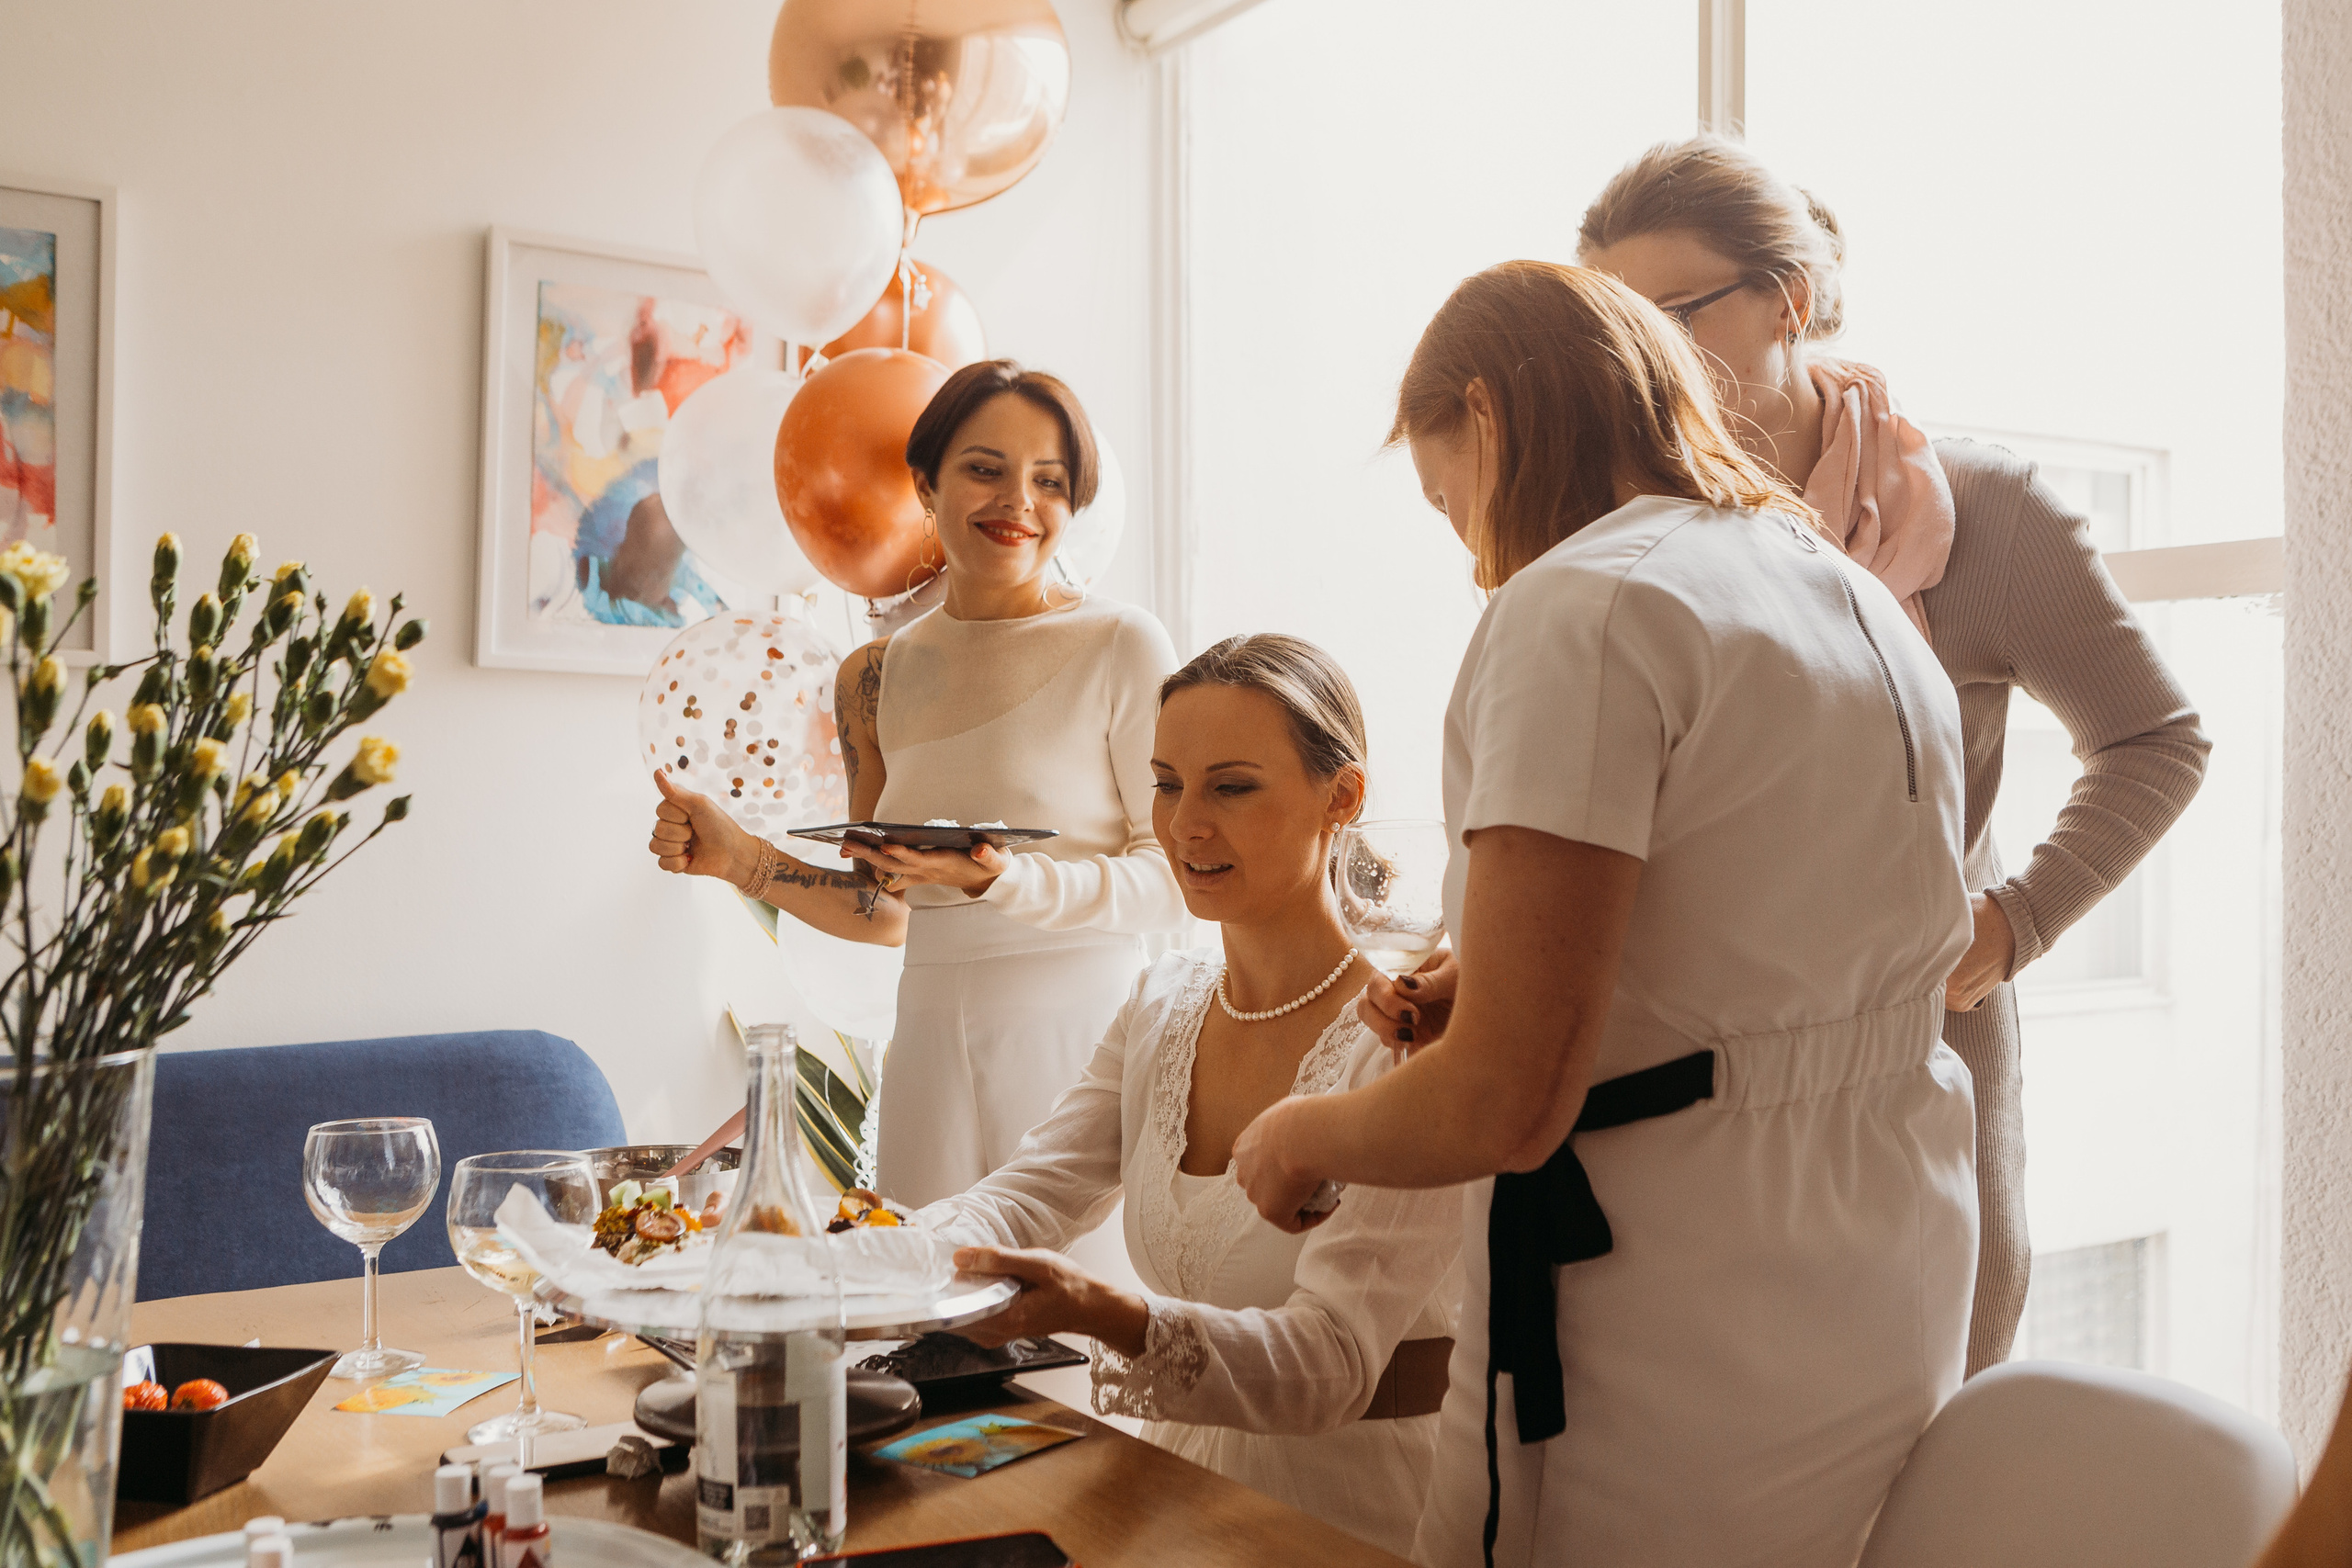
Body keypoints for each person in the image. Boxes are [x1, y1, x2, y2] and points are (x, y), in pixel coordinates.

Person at [1231, 261, 1976, 1568]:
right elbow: (1770, 925)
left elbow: (1506, 1099)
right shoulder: (1840, 584)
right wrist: (1515, 974)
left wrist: (1299, 1134)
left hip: (1665, 1303)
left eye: (1449, 500)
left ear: (1489, 412)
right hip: (1884, 1261)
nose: (1472, 555)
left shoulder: (1581, 604)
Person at [1574, 136, 2210, 1372]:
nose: (1646, 363)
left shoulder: (1984, 511)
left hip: (1924, 1060)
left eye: (1675, 315)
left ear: (1788, 300)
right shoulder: (1633, 532)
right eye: (1619, 329)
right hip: (1693, 1072)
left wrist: (2015, 921)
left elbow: (2154, 737)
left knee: (1928, 1431)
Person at [921, 635, 1462, 1560]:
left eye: (1231, 787)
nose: (1184, 827)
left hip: (1359, 1511)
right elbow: (1028, 1194)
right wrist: (854, 1255)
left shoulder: (1411, 1034)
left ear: (1343, 797)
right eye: (1167, 784)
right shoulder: (1162, 1002)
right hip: (1172, 1487)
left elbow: (1330, 1358)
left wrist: (1102, 1311)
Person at [649, 359, 1184, 1205]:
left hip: (1082, 1047)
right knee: (920, 1280)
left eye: (1049, 480)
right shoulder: (873, 676)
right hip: (928, 1050)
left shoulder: (1122, 644)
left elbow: (1174, 880)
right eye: (986, 469)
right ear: (926, 484)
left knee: (1078, 1292)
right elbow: (885, 904)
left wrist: (1006, 880)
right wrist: (741, 858)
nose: (1018, 501)